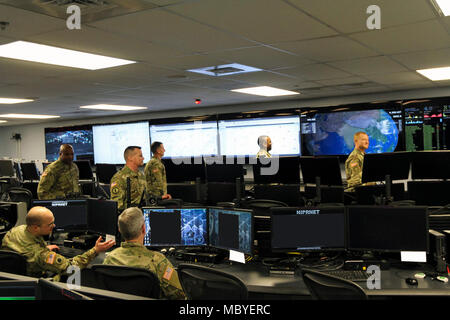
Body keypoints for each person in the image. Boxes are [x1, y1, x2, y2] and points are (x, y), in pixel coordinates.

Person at [1, 206, 115, 281]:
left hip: (13, 281)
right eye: (50, 224)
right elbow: (71, 267)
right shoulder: (42, 255)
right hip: (37, 285)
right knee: (74, 274)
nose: (54, 226)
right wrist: (95, 250)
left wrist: (45, 247)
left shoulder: (16, 230)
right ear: (36, 227)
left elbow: (25, 250)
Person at [102, 207, 185, 300]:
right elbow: (180, 294)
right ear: (144, 229)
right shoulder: (158, 261)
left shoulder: (110, 258)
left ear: (120, 230)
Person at [110, 146, 147, 211]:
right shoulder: (119, 178)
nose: (143, 158)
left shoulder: (141, 175)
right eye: (140, 156)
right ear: (130, 158)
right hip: (128, 218)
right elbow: (118, 206)